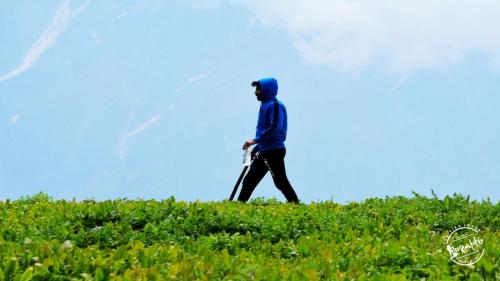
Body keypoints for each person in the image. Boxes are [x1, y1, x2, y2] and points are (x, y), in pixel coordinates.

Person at [239, 77, 299, 203]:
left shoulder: (274, 105)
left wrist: (254, 141)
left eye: (258, 89)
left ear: (267, 90)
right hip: (265, 150)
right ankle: (237, 207)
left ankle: (297, 206)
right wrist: (257, 148)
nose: (256, 92)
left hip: (273, 151)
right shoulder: (265, 104)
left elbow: (275, 128)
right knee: (249, 180)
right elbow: (265, 130)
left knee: (280, 182)